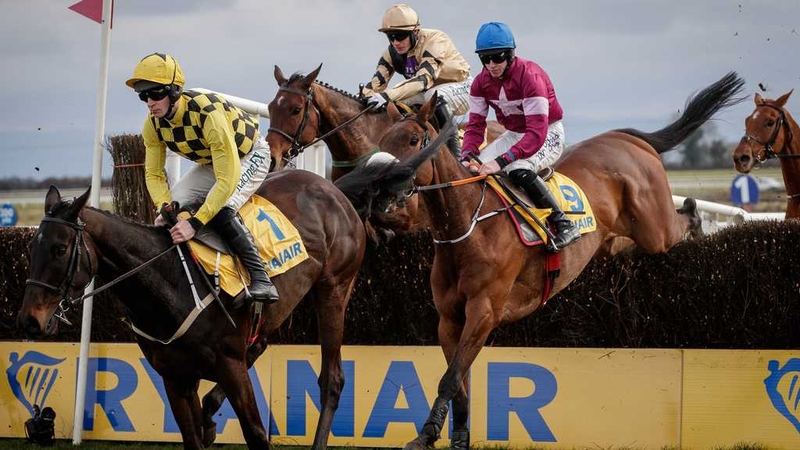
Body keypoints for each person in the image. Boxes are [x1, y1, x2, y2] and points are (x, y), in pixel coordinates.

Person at [126, 52, 279, 306]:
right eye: (143, 96)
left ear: (174, 91)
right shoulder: (152, 126)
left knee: (222, 207)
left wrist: (195, 224)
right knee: (167, 215)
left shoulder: (208, 115)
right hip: (214, 162)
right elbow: (153, 174)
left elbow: (227, 179)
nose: (149, 103)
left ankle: (261, 278)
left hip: (250, 154)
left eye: (155, 93)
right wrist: (166, 206)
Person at [460, 22, 580, 250]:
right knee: (470, 170)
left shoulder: (531, 77)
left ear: (510, 54)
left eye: (497, 58)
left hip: (547, 132)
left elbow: (536, 133)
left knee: (516, 169)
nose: (491, 65)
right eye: (485, 59)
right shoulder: (479, 83)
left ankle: (563, 223)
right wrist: (467, 153)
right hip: (515, 133)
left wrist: (501, 161)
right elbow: (475, 125)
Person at [361, 3, 471, 156]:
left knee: (434, 96)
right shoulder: (391, 52)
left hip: (461, 86)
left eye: (400, 36)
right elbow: (376, 83)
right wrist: (364, 97)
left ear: (416, 31)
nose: (395, 42)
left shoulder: (436, 40)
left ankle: (456, 156)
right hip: (426, 91)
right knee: (394, 106)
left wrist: (386, 96)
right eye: (390, 37)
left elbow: (423, 80)